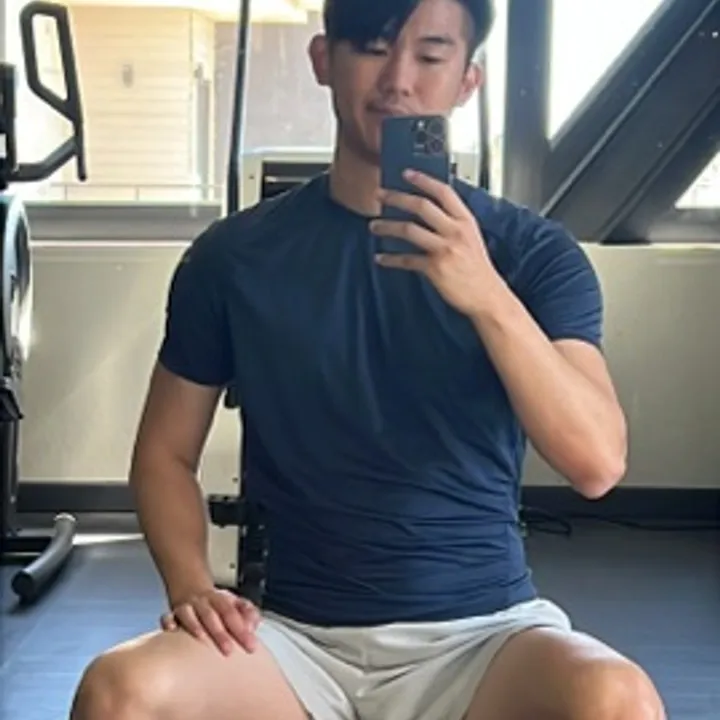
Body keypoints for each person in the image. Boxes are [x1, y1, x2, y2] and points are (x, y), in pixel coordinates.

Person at [70, 0, 666, 718]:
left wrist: (486, 296)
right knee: (119, 692)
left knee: (618, 700)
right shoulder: (232, 259)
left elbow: (596, 463)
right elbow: (163, 454)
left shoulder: (532, 255)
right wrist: (192, 585)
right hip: (295, 643)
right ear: (324, 60)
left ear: (467, 80)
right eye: (372, 47)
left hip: (483, 639)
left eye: (430, 55)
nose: (398, 81)